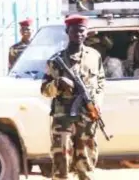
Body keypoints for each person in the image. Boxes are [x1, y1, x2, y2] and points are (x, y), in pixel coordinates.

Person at [40, 15, 105, 180]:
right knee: (62, 166)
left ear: (86, 32)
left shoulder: (94, 56)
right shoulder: (56, 61)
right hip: (63, 121)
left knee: (87, 165)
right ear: (67, 31)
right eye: (75, 31)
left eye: (82, 31)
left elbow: (101, 83)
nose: (79, 34)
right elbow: (44, 90)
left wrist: (96, 102)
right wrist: (58, 83)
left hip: (87, 119)